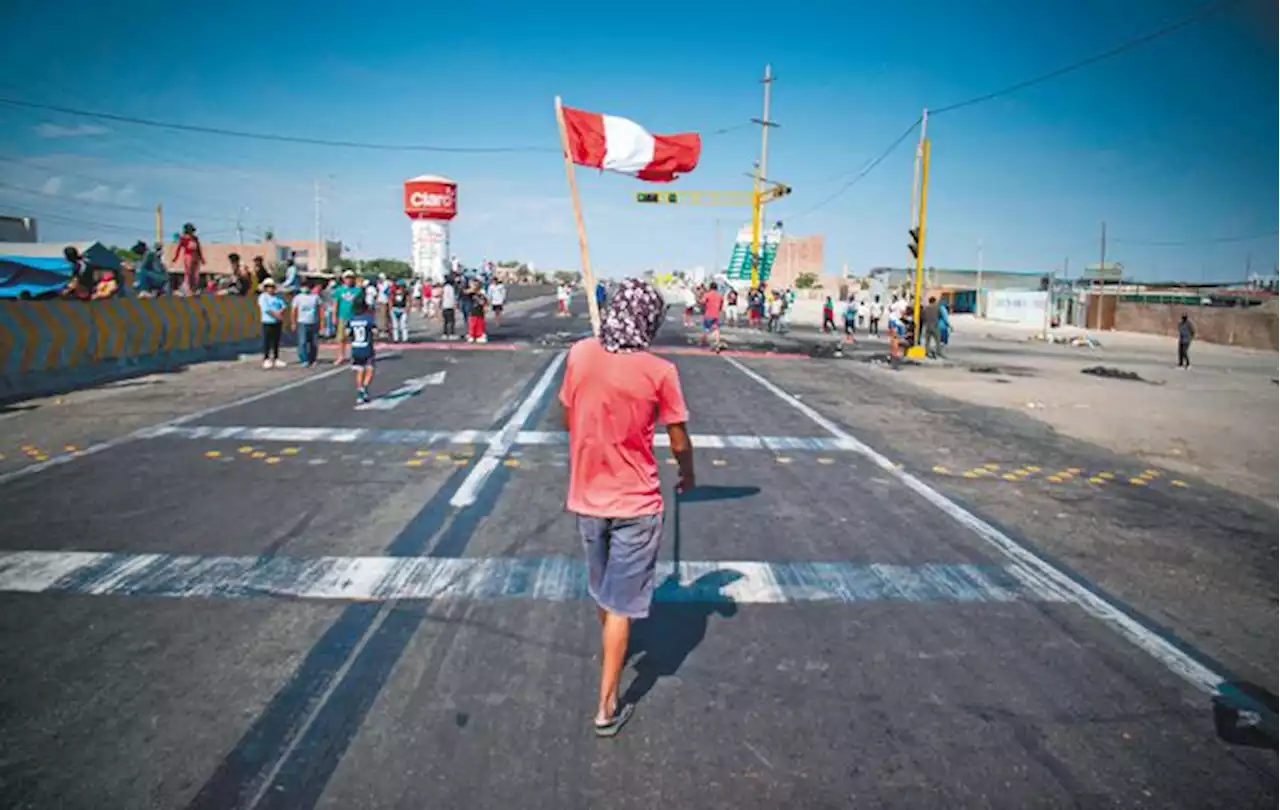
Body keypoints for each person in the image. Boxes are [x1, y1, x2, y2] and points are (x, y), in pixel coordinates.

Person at [559, 278, 694, 737]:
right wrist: (688, 471)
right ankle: (607, 703)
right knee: (617, 603)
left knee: (604, 593)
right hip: (636, 500)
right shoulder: (660, 371)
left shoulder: (580, 354)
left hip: (588, 497)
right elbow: (677, 437)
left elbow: (568, 414)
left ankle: (612, 648)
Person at [347, 297, 378, 403]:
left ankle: (360, 390)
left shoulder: (351, 319)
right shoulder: (368, 319)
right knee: (370, 368)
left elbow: (348, 333)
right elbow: (375, 331)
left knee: (359, 370)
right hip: (367, 347)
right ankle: (364, 387)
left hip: (356, 347)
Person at [333, 270, 362, 364]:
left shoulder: (357, 291)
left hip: (355, 317)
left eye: (351, 278)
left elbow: (361, 304)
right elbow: (335, 304)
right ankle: (341, 356)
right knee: (341, 338)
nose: (349, 280)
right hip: (343, 316)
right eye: (347, 278)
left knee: (355, 338)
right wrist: (334, 316)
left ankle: (355, 356)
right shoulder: (339, 290)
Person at [257, 277, 287, 369]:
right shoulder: (263, 297)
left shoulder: (278, 297)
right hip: (267, 322)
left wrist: (280, 312)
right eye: (269, 287)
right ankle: (266, 358)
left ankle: (276, 358)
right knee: (267, 341)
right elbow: (266, 309)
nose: (271, 288)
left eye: (272, 286)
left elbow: (283, 306)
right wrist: (276, 314)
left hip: (277, 322)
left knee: (276, 341)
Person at [292, 283, 322, 367]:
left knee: (314, 343)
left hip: (314, 322)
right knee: (302, 342)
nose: (305, 288)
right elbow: (294, 311)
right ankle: (304, 359)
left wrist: (322, 323)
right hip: (302, 323)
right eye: (303, 286)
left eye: (307, 286)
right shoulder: (297, 298)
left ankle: (312, 359)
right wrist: (293, 323)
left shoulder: (315, 297)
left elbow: (320, 310)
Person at [172, 223, 204, 296]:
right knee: (188, 273)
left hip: (196, 256)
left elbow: (198, 248)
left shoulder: (195, 238)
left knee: (195, 273)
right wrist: (175, 257)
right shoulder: (183, 239)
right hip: (188, 256)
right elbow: (179, 248)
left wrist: (202, 258)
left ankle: (194, 289)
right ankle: (188, 289)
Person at [701, 281, 723, 348]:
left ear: (710, 287)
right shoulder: (719, 296)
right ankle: (717, 341)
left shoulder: (707, 294)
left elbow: (702, 302)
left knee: (705, 329)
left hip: (708, 314)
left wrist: (698, 300)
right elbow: (720, 307)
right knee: (716, 329)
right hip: (716, 315)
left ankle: (703, 341)